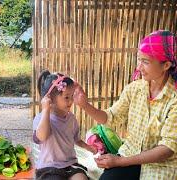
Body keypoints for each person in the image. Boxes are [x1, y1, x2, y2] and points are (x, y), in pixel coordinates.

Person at [73, 30, 177, 180]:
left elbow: (167, 149)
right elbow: (111, 117)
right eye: (139, 60)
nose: (139, 67)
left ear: (166, 65)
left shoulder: (174, 99)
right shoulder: (134, 89)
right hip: (131, 153)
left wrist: (120, 161)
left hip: (161, 165)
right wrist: (85, 105)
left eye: (146, 62)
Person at [33, 70, 97, 180]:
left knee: (82, 178)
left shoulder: (71, 118)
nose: (71, 101)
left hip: (70, 165)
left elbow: (76, 139)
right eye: (67, 97)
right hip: (49, 167)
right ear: (51, 99)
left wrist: (89, 148)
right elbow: (42, 137)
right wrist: (46, 109)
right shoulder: (41, 118)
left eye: (72, 96)